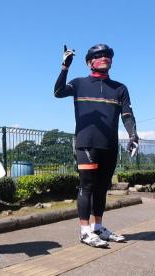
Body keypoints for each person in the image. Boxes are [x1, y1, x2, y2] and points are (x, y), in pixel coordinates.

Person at [54, 44, 138, 248]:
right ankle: (84, 231)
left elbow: (127, 115)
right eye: (98, 56)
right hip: (86, 144)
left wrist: (133, 135)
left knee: (101, 188)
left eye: (107, 56)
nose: (104, 59)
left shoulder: (120, 88)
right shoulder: (79, 84)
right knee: (87, 186)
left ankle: (97, 228)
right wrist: (64, 67)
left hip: (109, 146)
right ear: (89, 62)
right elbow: (57, 92)